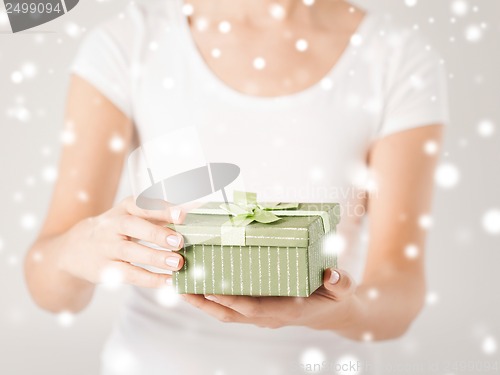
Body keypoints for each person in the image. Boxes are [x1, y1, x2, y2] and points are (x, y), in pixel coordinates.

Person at [24, 0, 449, 374]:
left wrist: (337, 312)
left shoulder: (395, 57)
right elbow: (51, 291)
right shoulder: (129, 42)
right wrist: (81, 249)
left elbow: (399, 293)